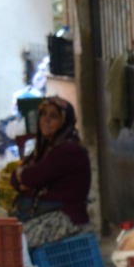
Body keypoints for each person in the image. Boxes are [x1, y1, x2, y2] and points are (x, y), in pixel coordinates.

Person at [13, 96, 91, 225]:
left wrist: (25, 179)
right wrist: (24, 180)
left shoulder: (68, 149)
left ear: (64, 121)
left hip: (65, 218)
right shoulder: (45, 147)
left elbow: (30, 177)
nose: (46, 120)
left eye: (54, 116)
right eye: (43, 114)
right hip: (48, 213)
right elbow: (15, 179)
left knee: (16, 240)